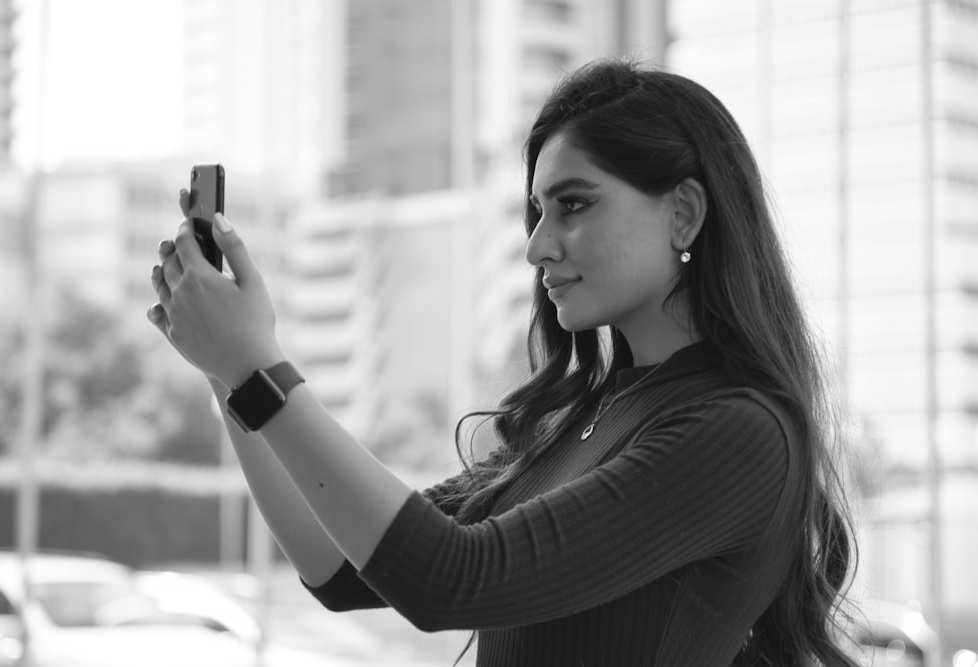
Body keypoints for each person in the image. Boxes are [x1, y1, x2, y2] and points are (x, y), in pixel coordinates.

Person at [148, 58, 859, 666]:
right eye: (536, 213)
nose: (537, 246)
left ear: (684, 214)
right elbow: (335, 565)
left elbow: (449, 579)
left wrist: (257, 365)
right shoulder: (581, 417)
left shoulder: (736, 432)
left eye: (573, 205)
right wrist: (227, 373)